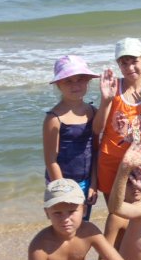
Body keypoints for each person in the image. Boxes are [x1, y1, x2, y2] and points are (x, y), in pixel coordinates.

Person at [93, 37, 141, 200]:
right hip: (110, 161)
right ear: (119, 65)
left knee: (137, 210)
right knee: (115, 211)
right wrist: (106, 101)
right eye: (124, 63)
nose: (130, 68)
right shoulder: (112, 88)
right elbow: (97, 129)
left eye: (134, 61)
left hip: (137, 160)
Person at [43, 55, 100, 220]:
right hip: (60, 183)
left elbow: (95, 151)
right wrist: (64, 193)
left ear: (88, 81)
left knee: (82, 224)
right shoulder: (54, 118)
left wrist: (94, 184)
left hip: (86, 182)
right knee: (65, 227)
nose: (75, 85)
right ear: (58, 84)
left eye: (80, 79)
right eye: (68, 81)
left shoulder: (93, 112)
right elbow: (51, 161)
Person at [95, 174, 141, 260]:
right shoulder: (117, 217)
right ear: (121, 186)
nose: (135, 186)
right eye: (129, 183)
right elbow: (104, 256)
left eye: (139, 181)